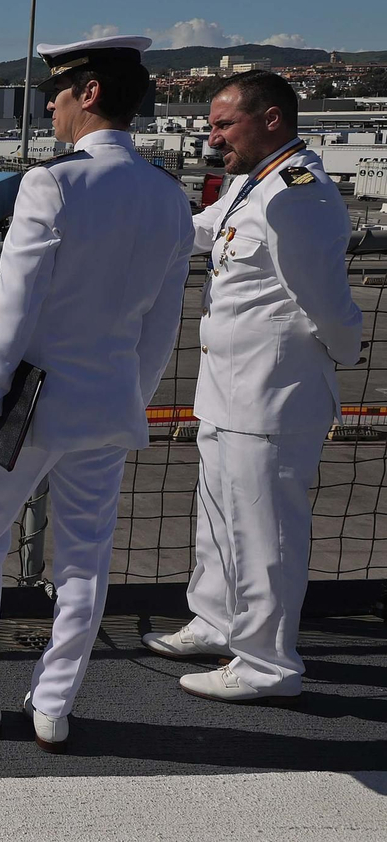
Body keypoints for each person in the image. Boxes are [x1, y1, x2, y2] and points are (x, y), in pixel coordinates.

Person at [0, 34, 195, 752]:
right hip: (108, 405)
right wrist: (132, 398)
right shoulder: (170, 199)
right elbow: (161, 328)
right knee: (85, 554)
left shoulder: (53, 183)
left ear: (90, 93)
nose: (49, 103)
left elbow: (10, 313)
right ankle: (54, 704)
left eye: (58, 89)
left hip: (27, 405)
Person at [143, 70, 361, 702]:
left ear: (271, 120)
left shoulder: (298, 193)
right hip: (227, 388)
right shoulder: (253, 181)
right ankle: (216, 620)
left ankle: (268, 663)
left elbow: (327, 300)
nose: (212, 138)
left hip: (272, 394)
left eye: (222, 124)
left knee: (266, 531)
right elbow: (207, 228)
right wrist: (132, 224)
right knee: (218, 516)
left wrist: (339, 354)